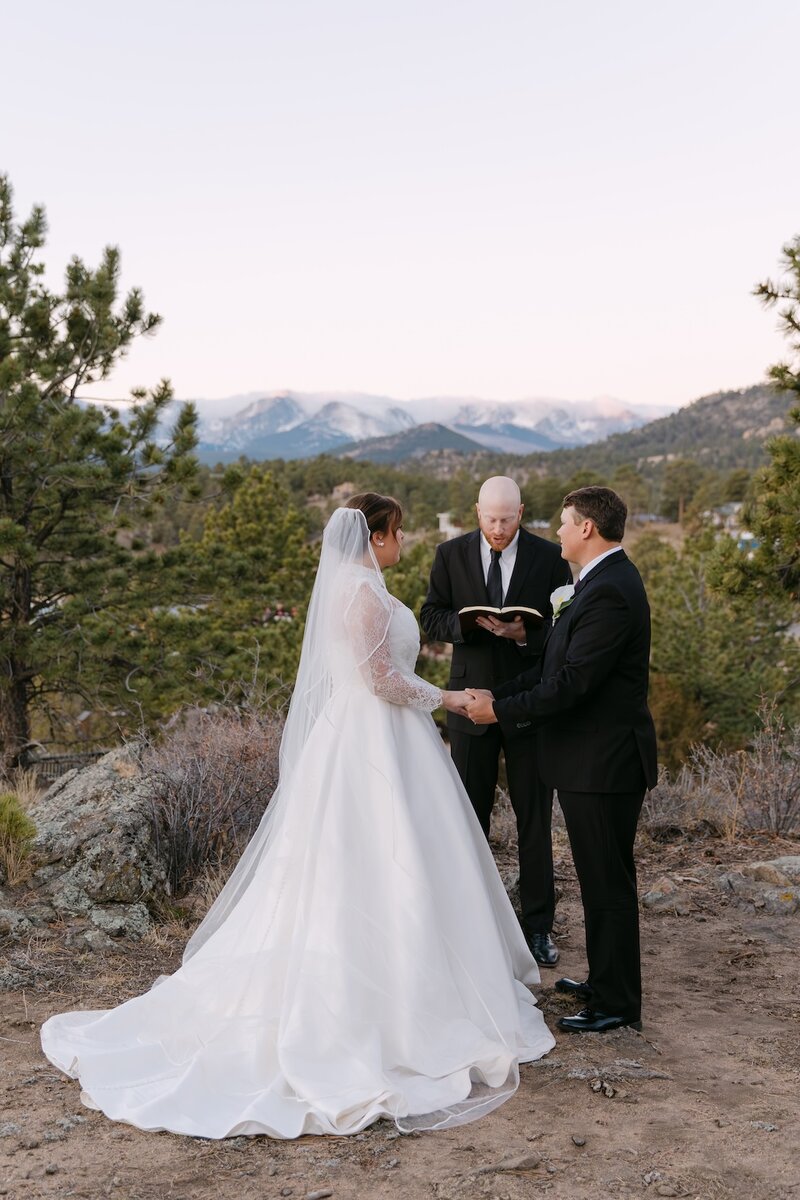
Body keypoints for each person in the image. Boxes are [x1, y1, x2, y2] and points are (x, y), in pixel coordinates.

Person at [40, 493, 554, 1138]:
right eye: (397, 533)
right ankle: (387, 1001)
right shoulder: (363, 595)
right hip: (373, 739)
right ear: (377, 537)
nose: (404, 543)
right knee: (374, 855)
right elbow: (380, 682)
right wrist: (450, 696)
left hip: (384, 740)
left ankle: (420, 974)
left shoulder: (359, 588)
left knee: (396, 856)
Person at [464, 486, 658, 1033]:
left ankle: (617, 1004)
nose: (559, 532)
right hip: (588, 762)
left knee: (607, 886)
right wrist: (498, 697)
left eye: (565, 523)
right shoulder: (591, 585)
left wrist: (501, 712)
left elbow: (572, 685)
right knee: (600, 881)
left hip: (605, 764)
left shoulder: (611, 592)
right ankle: (604, 981)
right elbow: (554, 667)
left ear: (588, 529)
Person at [420, 476, 571, 967]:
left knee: (534, 819)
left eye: (508, 519)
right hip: (468, 701)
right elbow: (431, 616)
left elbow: (561, 632)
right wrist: (464, 624)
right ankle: (469, 925)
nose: (499, 528)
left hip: (529, 702)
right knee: (469, 819)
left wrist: (523, 632)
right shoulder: (450, 555)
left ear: (522, 512)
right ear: (477, 512)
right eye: (490, 519)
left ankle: (537, 929)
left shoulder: (551, 558)